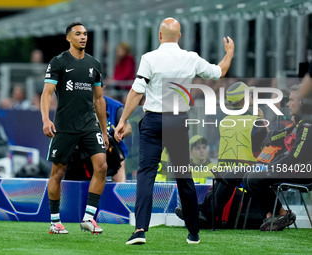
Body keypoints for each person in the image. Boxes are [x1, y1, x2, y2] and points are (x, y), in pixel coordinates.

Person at [115, 17, 234, 245]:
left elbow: (136, 91)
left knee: (146, 174)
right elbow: (219, 72)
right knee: (183, 175)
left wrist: (123, 120)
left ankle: (140, 229)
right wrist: (229, 52)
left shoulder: (149, 58)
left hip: (152, 122)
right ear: (180, 37)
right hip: (178, 123)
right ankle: (193, 232)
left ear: (160, 36)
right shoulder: (191, 58)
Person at [40, 22, 109, 235]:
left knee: (102, 166)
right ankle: (54, 221)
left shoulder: (94, 64)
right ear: (68, 38)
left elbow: (99, 100)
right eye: (78, 34)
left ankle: (88, 218)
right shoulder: (58, 62)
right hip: (65, 126)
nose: (83, 37)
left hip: (89, 125)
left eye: (85, 34)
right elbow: (47, 94)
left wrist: (105, 132)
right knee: (58, 172)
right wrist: (45, 119)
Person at [175, 82, 268, 226]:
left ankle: (201, 212)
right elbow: (266, 149)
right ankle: (203, 213)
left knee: (222, 183)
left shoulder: (225, 121)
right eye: (249, 95)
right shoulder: (256, 122)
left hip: (229, 178)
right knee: (224, 182)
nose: (252, 97)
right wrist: (262, 120)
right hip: (246, 180)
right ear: (244, 99)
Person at [242, 84, 312, 231]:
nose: (287, 104)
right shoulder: (298, 123)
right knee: (248, 177)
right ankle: (271, 217)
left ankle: (283, 214)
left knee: (254, 178)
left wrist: (272, 167)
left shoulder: (307, 124)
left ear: (302, 102)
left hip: (303, 172)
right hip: (292, 168)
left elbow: (296, 156)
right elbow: (273, 137)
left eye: (291, 100)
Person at [104, 95, 132, 182]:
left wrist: (120, 134)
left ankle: (119, 191)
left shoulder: (116, 106)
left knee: (119, 159)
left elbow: (128, 127)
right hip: (91, 147)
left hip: (112, 146)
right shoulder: (83, 105)